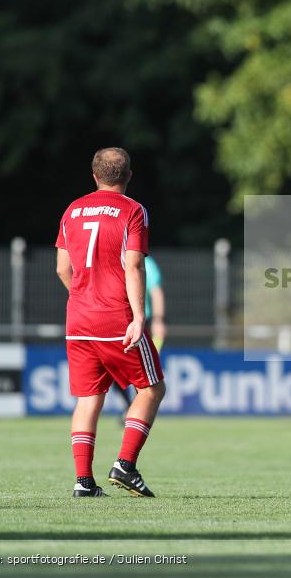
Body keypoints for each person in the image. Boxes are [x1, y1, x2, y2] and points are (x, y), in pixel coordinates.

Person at [55, 147, 166, 497]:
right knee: (152, 388)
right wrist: (138, 315)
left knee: (88, 399)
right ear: (129, 175)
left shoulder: (72, 209)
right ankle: (125, 464)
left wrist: (85, 296)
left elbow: (62, 268)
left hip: (78, 318)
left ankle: (83, 482)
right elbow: (133, 265)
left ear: (94, 175)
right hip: (115, 317)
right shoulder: (133, 210)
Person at [110, 255, 166, 412]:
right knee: (115, 372)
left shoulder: (147, 262)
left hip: (140, 323)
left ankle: (135, 411)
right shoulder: (112, 259)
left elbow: (156, 292)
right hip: (116, 323)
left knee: (142, 374)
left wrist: (158, 320)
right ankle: (130, 407)